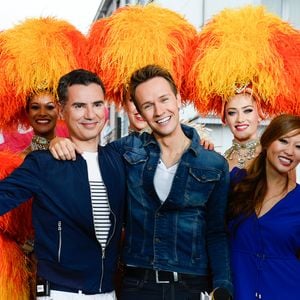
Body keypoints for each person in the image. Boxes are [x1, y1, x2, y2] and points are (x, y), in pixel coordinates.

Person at [50, 64, 233, 299]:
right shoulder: (126, 151)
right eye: (148, 105)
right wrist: (56, 142)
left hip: (193, 285)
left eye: (164, 99)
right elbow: (87, 148)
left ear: (178, 99)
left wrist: (223, 287)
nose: (159, 111)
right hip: (138, 285)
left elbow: (217, 232)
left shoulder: (213, 164)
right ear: (139, 112)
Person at [0, 69, 126, 300]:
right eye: (79, 106)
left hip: (108, 292)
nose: (90, 114)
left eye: (97, 104)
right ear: (62, 110)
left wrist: (197, 139)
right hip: (60, 292)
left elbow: (160, 142)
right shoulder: (43, 163)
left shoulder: (118, 159)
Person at [227, 114, 300, 300]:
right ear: (267, 141)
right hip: (237, 291)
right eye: (283, 141)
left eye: (298, 146)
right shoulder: (235, 184)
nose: (290, 151)